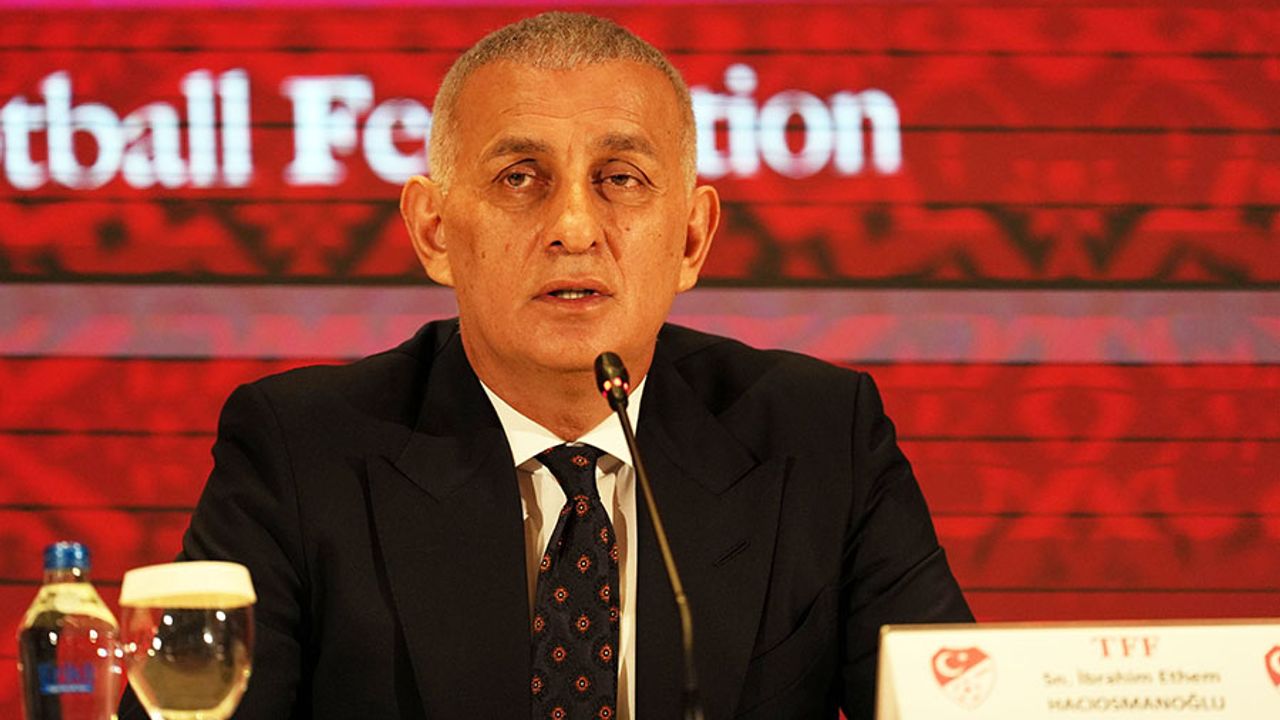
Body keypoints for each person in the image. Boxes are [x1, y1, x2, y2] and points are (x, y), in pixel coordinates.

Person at [120, 11, 971, 720]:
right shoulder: (300, 451)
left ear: (691, 237)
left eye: (620, 179)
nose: (573, 227)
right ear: (433, 231)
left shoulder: (820, 437)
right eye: (520, 177)